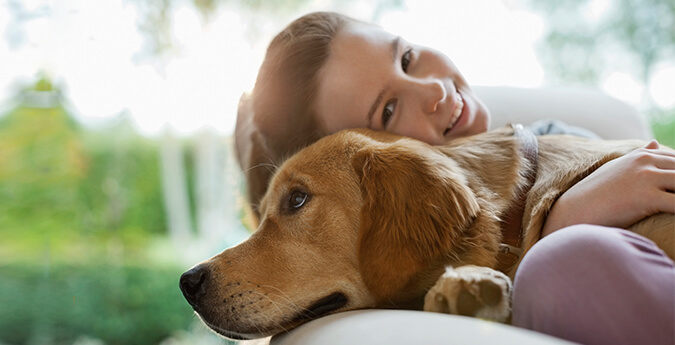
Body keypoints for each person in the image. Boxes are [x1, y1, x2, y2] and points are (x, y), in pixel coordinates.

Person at [235, 11, 675, 345]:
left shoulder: (558, 143)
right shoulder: (411, 250)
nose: (433, 91)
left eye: (406, 58)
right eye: (387, 112)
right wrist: (569, 215)